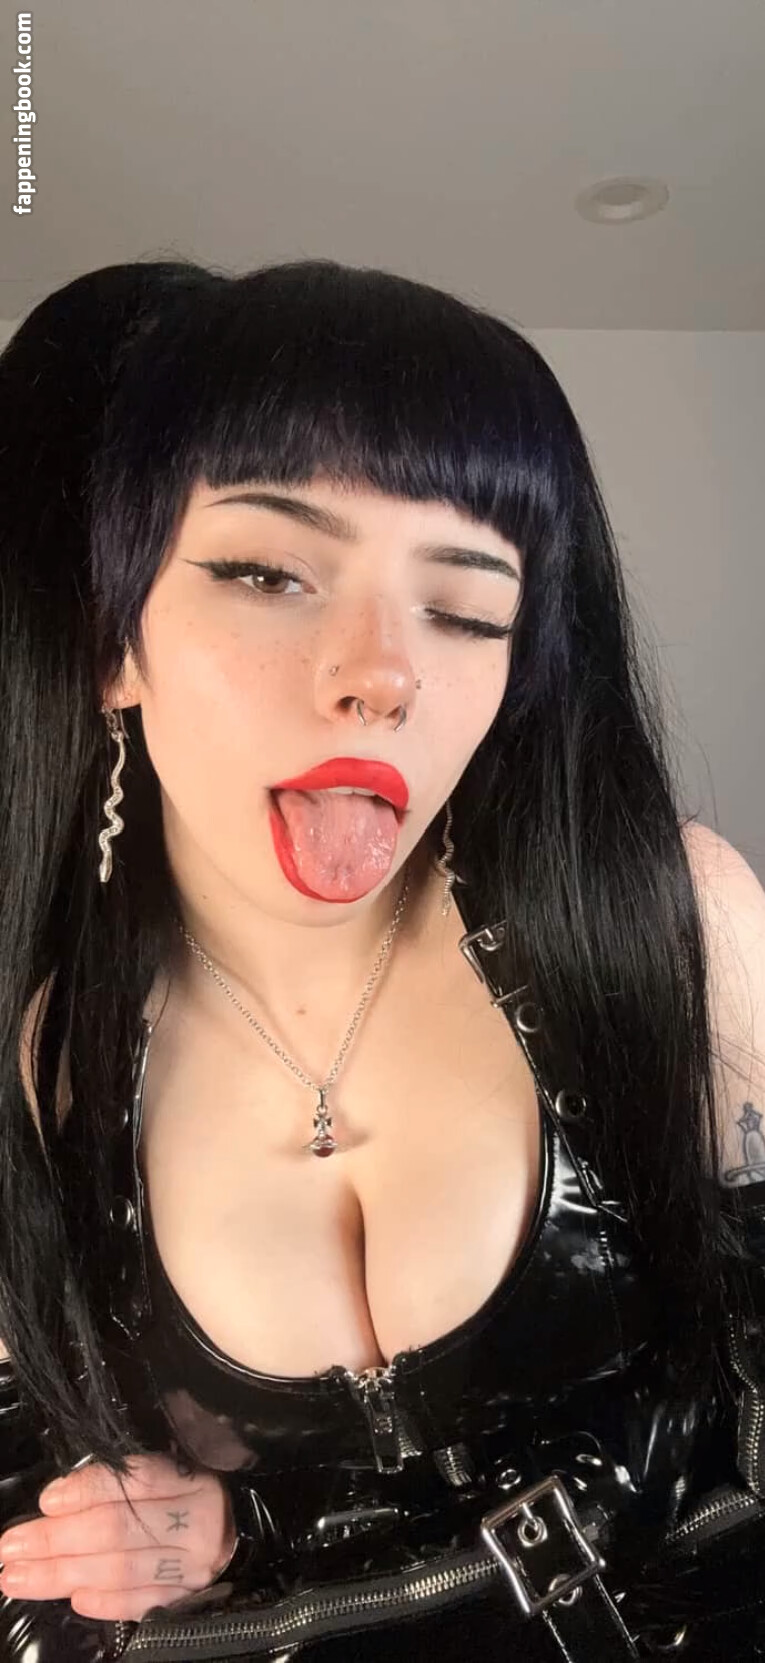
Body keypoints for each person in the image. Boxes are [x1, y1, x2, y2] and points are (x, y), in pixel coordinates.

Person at [0, 255, 764, 1663]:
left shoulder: (674, 923)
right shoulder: (54, 1060)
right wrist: (165, 1536)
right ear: (116, 641)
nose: (383, 673)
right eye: (267, 573)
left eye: (466, 611)